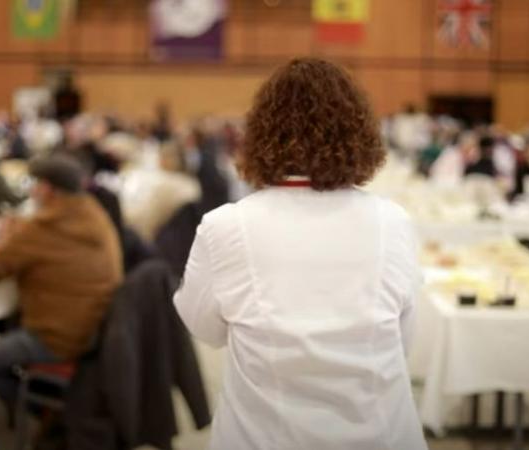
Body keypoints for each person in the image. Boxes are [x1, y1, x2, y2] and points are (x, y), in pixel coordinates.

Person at [174, 58, 427, 450]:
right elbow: (402, 339)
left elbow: (204, 328)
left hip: (261, 437)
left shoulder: (225, 226)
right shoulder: (393, 222)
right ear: (358, 133)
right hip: (379, 434)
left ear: (261, 134)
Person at [0, 156, 122, 409]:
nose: (31, 189)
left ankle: (40, 412)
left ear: (47, 188)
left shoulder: (42, 227)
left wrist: (8, 238)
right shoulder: (93, 213)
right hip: (95, 327)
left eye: (34, 183)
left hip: (56, 336)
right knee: (2, 323)